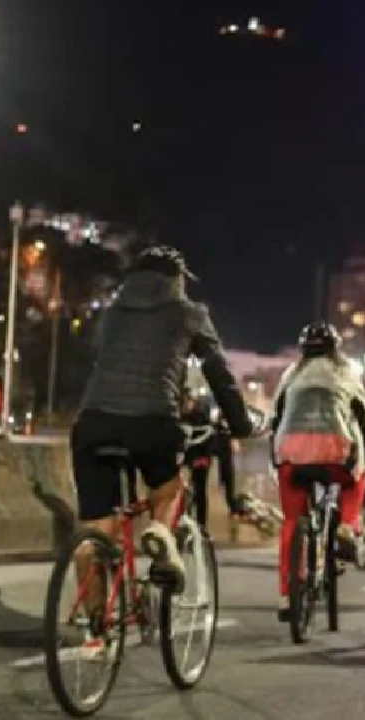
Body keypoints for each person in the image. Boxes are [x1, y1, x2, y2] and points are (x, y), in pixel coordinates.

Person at [72, 245, 253, 595]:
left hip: (93, 421)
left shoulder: (112, 313)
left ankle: (95, 633)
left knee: (96, 531)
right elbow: (219, 373)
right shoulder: (190, 313)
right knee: (169, 490)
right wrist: (240, 423)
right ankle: (158, 533)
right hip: (152, 420)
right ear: (176, 280)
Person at [272, 321, 365, 621]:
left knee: (292, 521)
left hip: (291, 453)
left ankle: (285, 595)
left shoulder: (291, 375)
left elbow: (276, 417)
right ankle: (346, 525)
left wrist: (276, 456)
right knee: (356, 480)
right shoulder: (346, 373)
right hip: (335, 454)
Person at [179, 390, 244, 528]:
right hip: (188, 451)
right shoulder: (178, 415)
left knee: (202, 485)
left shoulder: (204, 413)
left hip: (204, 449)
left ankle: (203, 523)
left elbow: (210, 438)